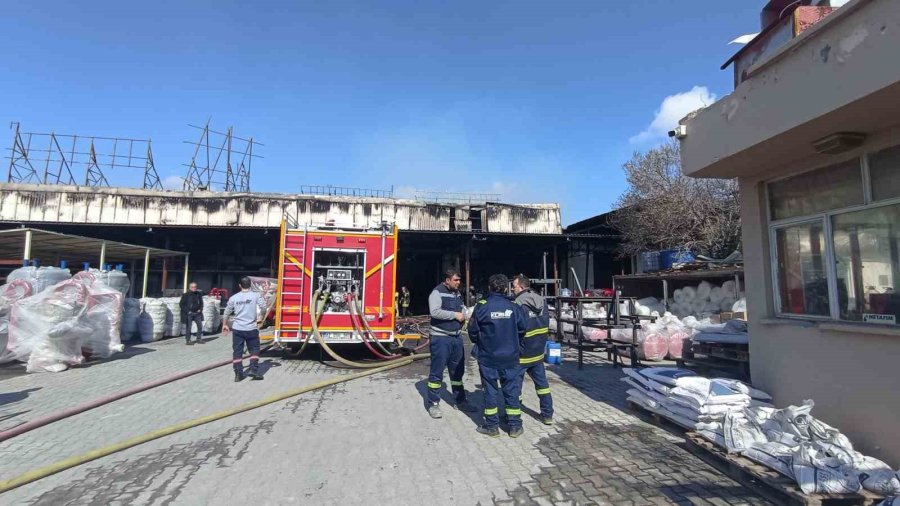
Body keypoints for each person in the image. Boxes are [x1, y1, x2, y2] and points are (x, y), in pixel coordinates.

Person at [468, 274, 528, 438]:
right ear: (505, 288)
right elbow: (523, 328)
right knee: (511, 391)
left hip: (488, 358)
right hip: (510, 357)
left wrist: (480, 342)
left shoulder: (482, 306)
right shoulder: (514, 306)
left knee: (490, 391)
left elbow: (472, 331)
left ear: (490, 287)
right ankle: (515, 426)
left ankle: (492, 426)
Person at [425, 269, 473, 418]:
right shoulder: (437, 293)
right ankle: (433, 404)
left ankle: (460, 401)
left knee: (457, 371)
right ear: (447, 280)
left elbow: (460, 309)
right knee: (437, 372)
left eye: (459, 280)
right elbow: (434, 312)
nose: (458, 283)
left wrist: (466, 313)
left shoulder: (456, 293)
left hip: (456, 338)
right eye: (455, 280)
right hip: (441, 338)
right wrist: (455, 315)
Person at [511, 274, 554, 425]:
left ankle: (514, 417)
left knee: (514, 387)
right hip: (538, 352)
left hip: (521, 354)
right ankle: (547, 415)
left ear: (522, 287)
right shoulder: (542, 300)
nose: (512, 289)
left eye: (514, 286)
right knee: (542, 386)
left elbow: (515, 329)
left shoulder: (518, 303)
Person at [222, 277, 267, 382]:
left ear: (240, 286)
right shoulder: (255, 296)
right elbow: (264, 307)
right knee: (254, 349)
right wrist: (261, 317)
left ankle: (238, 374)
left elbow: (227, 312)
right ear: (250, 285)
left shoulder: (234, 298)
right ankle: (253, 370)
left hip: (237, 329)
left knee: (237, 351)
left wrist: (225, 324)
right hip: (251, 328)